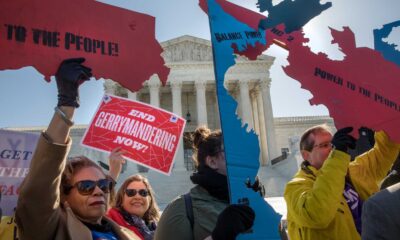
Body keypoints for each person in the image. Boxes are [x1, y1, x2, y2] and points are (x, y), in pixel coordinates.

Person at [15, 58, 141, 240]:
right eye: (86, 187)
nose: (98, 191)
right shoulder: (51, 230)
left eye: (104, 186)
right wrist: (67, 103)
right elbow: (38, 191)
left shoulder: (120, 231)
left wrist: (112, 172)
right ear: (63, 197)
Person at [284, 124, 400, 240]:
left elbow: (383, 152)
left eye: (333, 143)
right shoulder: (296, 186)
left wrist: (387, 122)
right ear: (306, 155)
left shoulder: (352, 171)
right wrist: (338, 155)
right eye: (324, 145)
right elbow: (317, 215)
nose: (331, 148)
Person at [154, 126, 255, 240]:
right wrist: (217, 237)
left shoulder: (252, 200)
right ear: (212, 162)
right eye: (232, 150)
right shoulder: (180, 209)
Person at [107, 175, 160, 240]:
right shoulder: (111, 217)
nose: (137, 197)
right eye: (131, 192)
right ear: (121, 198)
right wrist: (113, 173)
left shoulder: (160, 225)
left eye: (143, 192)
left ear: (149, 199)